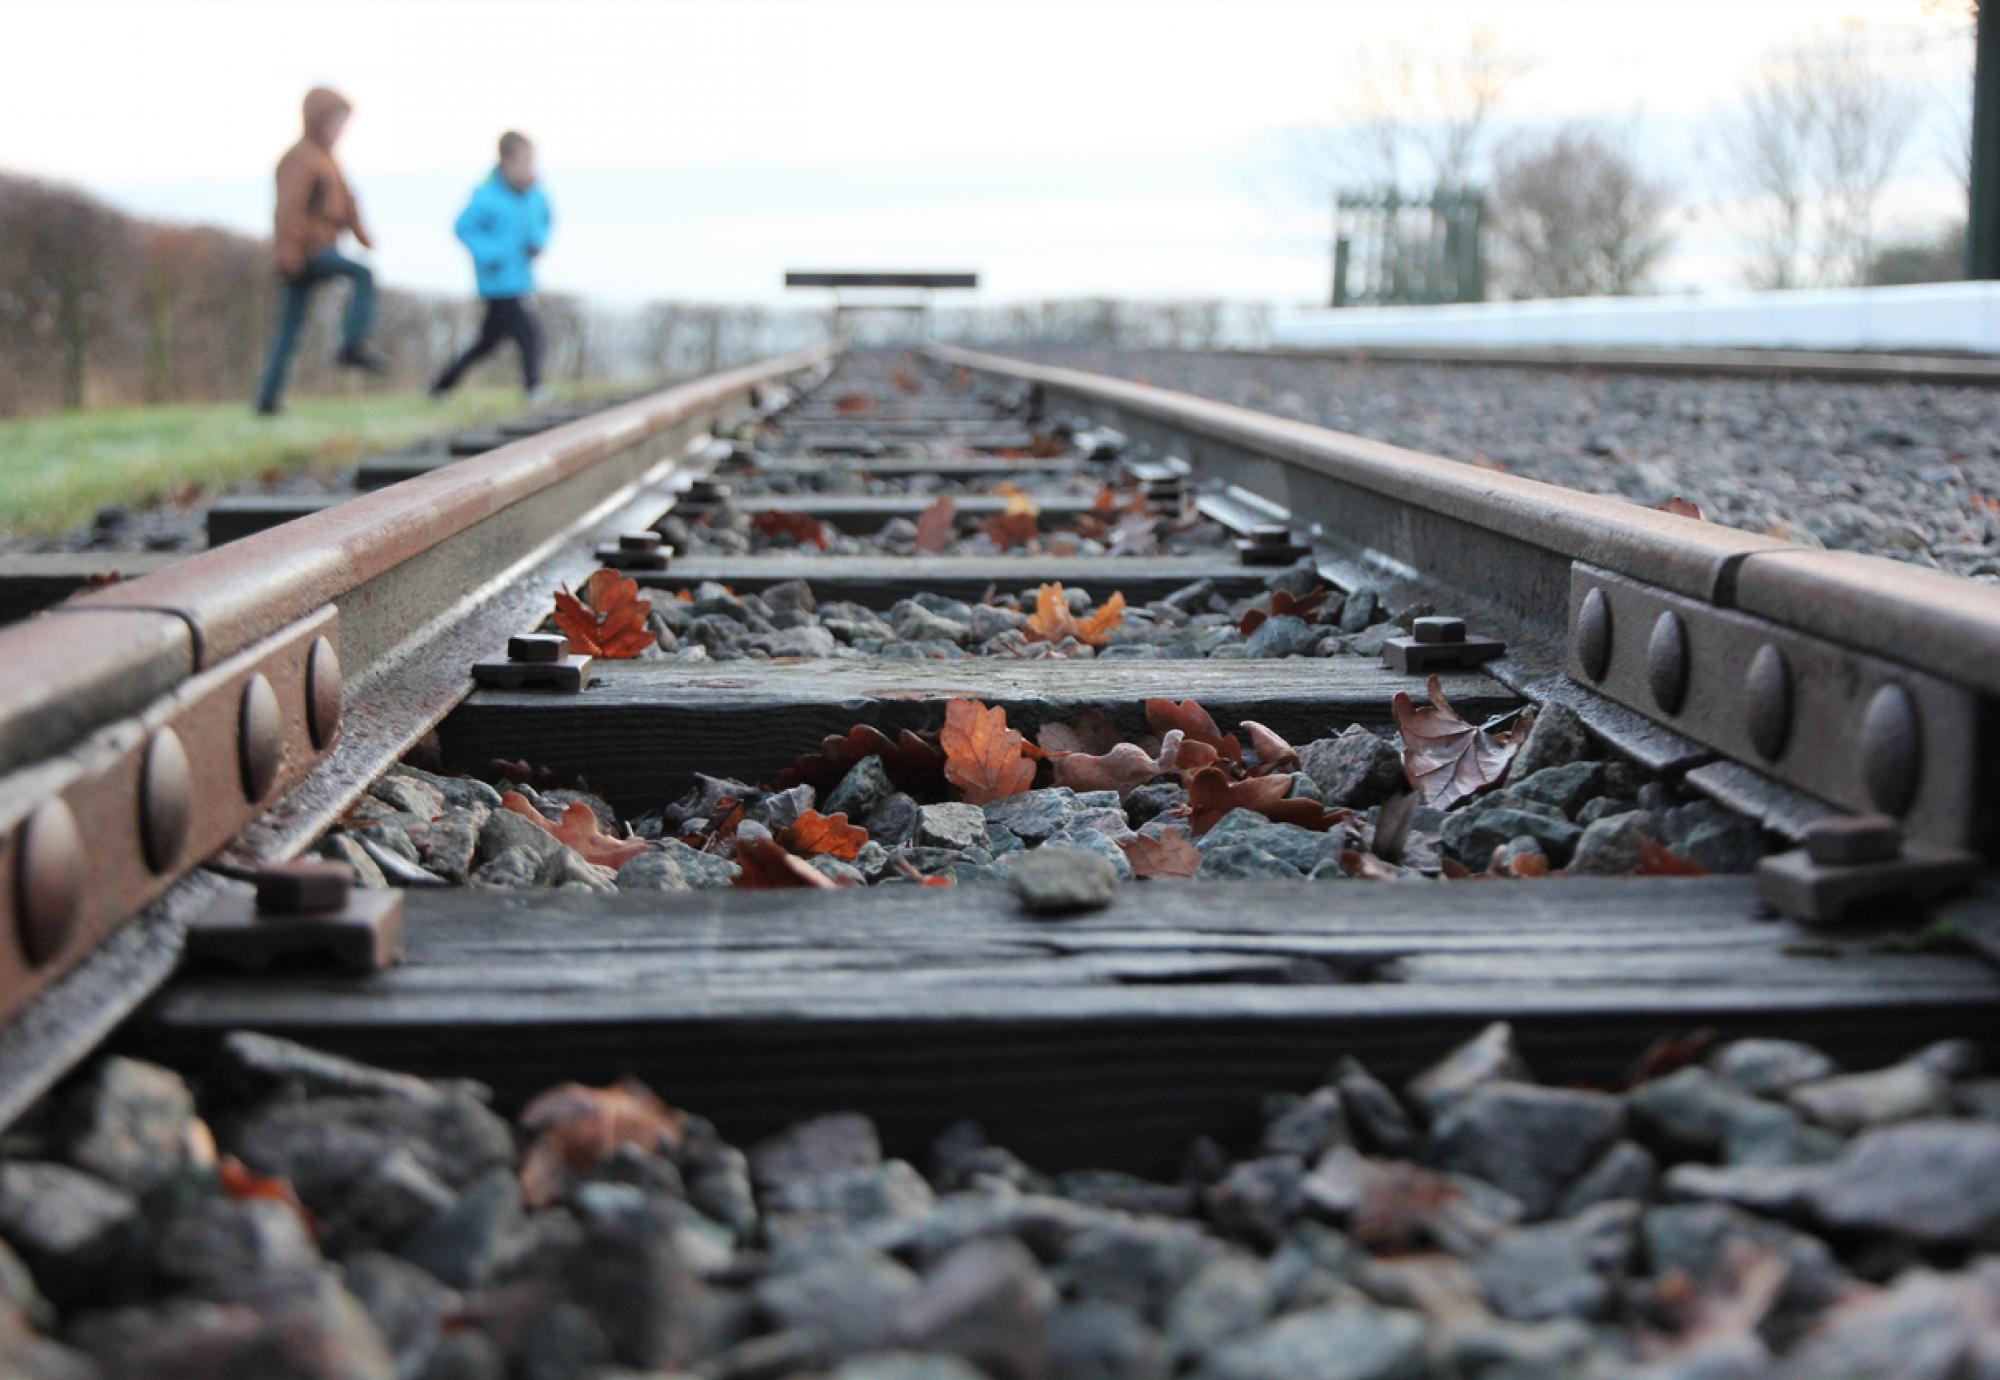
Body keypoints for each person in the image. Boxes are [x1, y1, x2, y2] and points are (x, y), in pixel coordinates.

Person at [256, 87, 386, 416]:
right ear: (318, 119)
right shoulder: (300, 159)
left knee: (289, 329)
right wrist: (288, 253)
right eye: (335, 121)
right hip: (306, 253)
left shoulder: (328, 159)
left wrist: (362, 235)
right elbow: (288, 209)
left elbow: (348, 201)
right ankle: (351, 344)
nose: (340, 128)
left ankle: (267, 402)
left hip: (320, 248)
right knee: (362, 273)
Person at [431, 131, 551, 401]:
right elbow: (463, 227)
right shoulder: (487, 195)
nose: (529, 167)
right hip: (497, 280)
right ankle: (534, 389)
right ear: (506, 162)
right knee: (530, 333)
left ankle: (440, 387)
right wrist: (491, 254)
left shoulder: (535, 194)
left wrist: (538, 241)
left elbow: (545, 220)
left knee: (486, 343)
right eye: (523, 161)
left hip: (521, 276)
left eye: (532, 161)